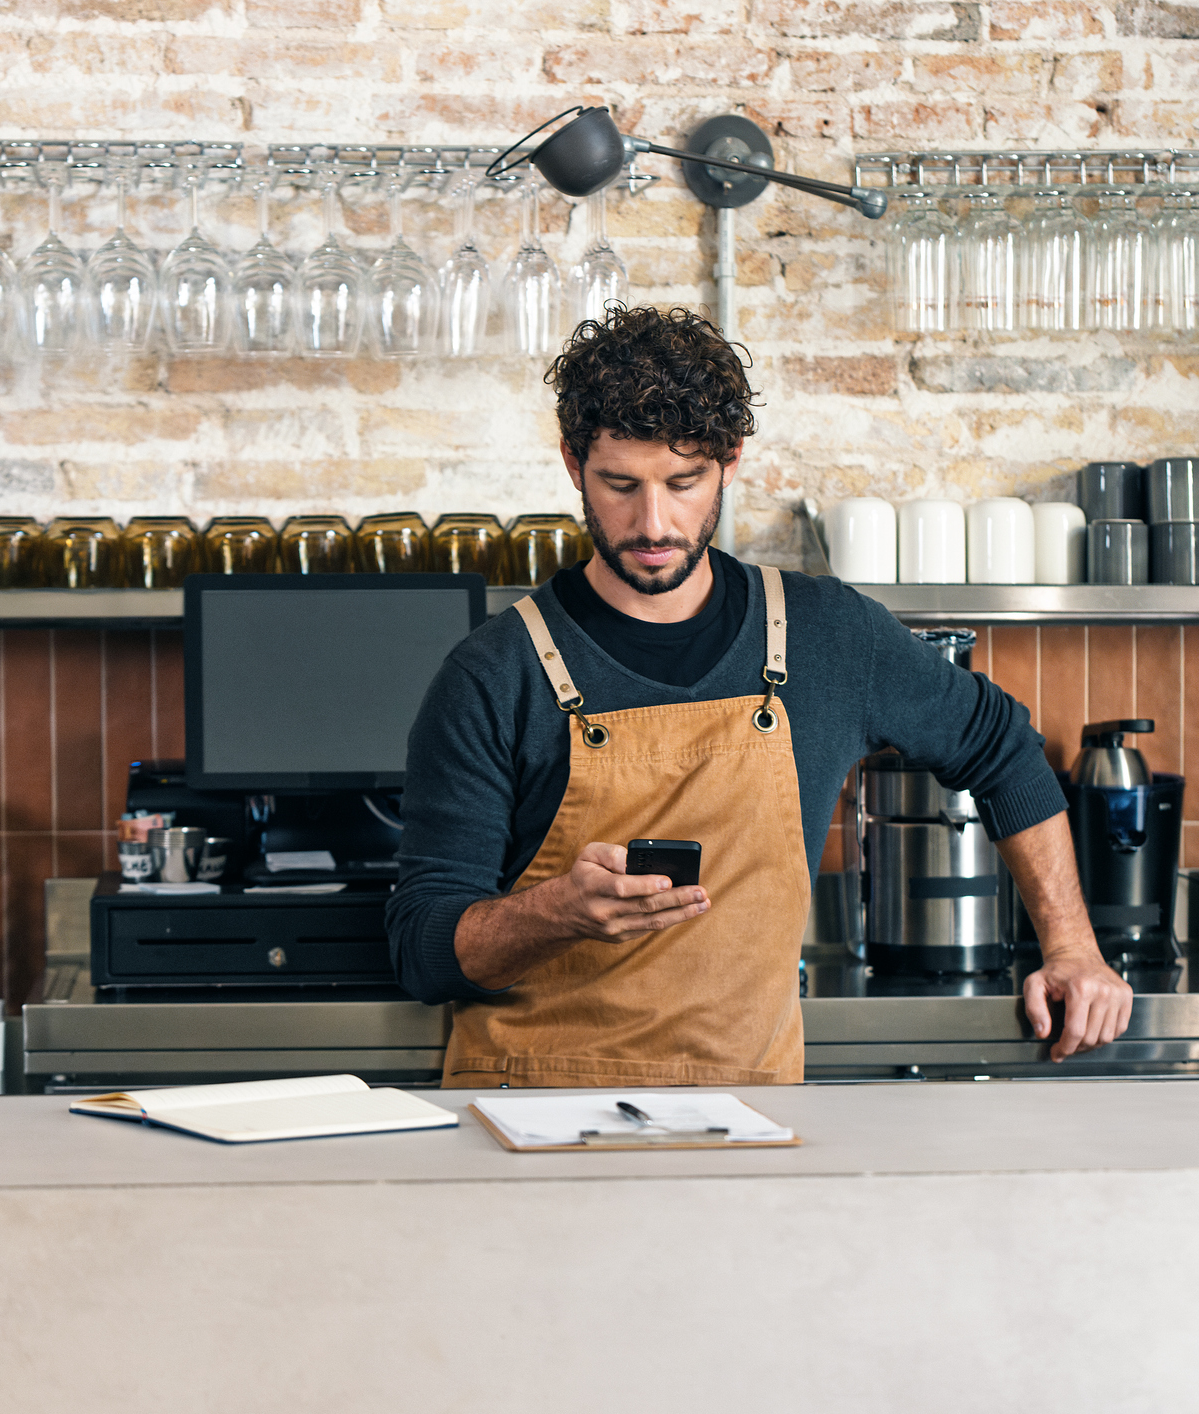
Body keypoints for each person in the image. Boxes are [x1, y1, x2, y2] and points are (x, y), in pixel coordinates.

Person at [385, 306, 1131, 1087]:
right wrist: (556, 912)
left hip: (746, 1117)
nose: (653, 523)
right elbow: (422, 946)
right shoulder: (494, 672)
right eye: (619, 485)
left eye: (684, 483)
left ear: (731, 461)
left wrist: (1073, 949)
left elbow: (1002, 745)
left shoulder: (825, 635)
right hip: (531, 1117)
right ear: (573, 464)